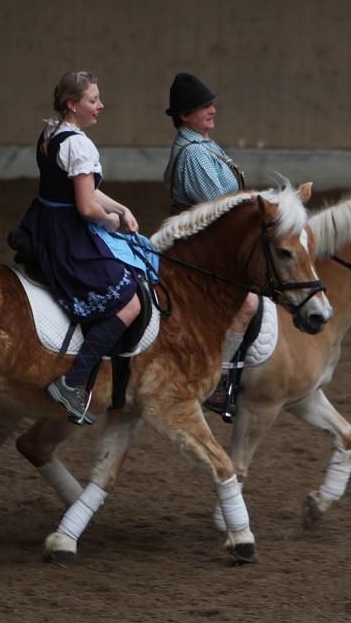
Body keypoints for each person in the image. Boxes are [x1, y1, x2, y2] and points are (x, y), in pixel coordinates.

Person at [20, 71, 142, 425]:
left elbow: (84, 187)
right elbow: (87, 207)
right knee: (130, 301)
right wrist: (109, 221)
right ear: (72, 105)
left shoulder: (53, 132)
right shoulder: (79, 144)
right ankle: (73, 382)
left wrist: (121, 207)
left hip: (44, 223)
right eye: (93, 100)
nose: (100, 105)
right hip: (66, 235)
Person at [163, 72, 257, 421]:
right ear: (184, 115)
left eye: (211, 104)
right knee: (246, 302)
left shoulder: (204, 144)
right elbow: (223, 210)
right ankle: (220, 381)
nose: (212, 110)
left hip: (209, 242)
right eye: (203, 106)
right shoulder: (194, 155)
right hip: (201, 250)